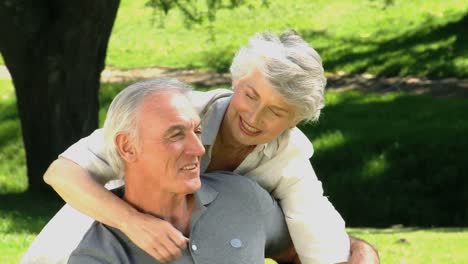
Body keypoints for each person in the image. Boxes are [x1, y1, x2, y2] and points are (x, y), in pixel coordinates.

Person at [24, 30, 379, 263]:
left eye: (275, 111)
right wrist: (133, 223)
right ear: (236, 81)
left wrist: (362, 255)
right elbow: (61, 171)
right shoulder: (174, 112)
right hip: (93, 235)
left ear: (295, 121)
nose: (253, 117)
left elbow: (320, 242)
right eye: (250, 95)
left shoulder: (290, 157)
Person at [68, 78, 293, 263]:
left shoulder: (243, 196)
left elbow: (297, 254)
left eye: (197, 131)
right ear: (127, 147)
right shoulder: (99, 257)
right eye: (176, 135)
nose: (198, 149)